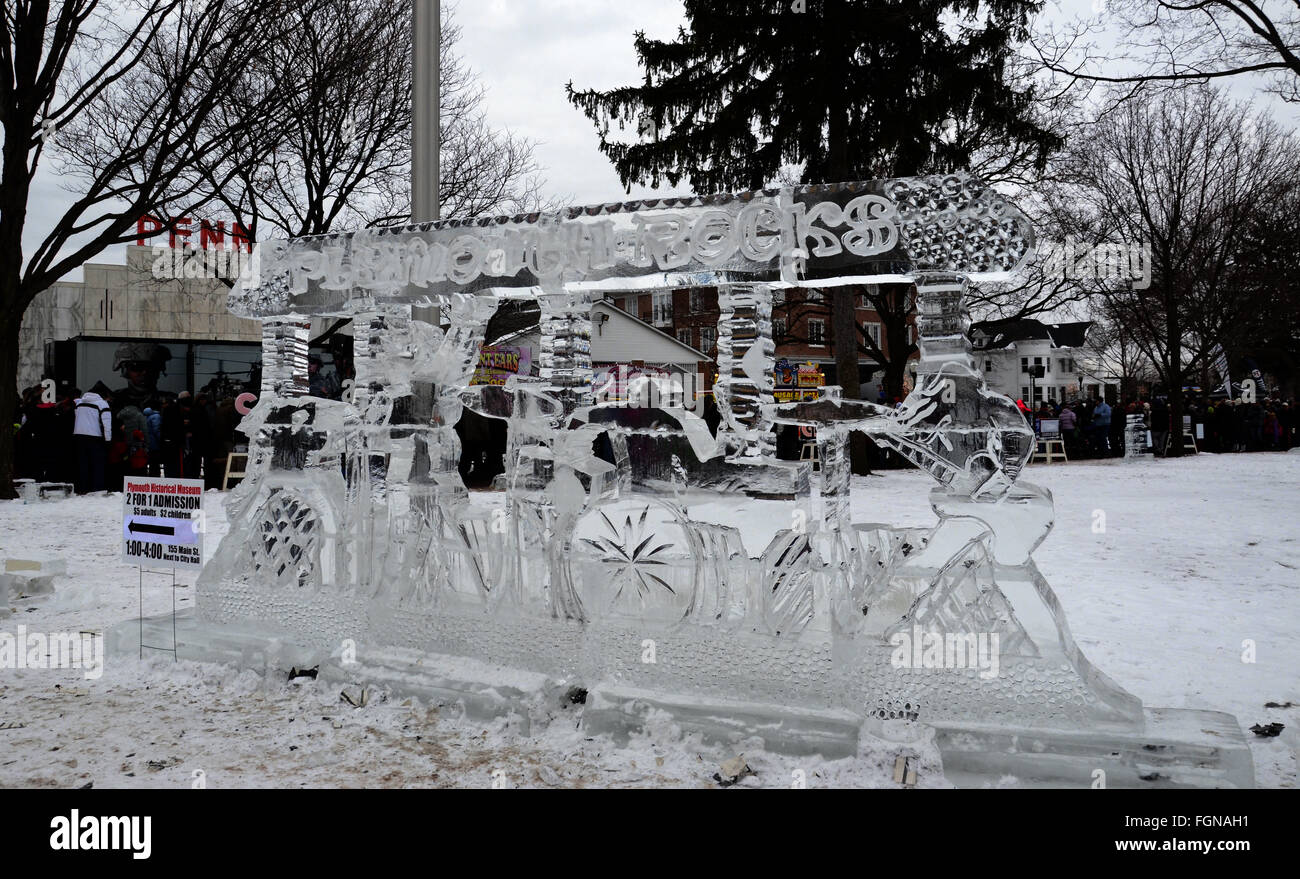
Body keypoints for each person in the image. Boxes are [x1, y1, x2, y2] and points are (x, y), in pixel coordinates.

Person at [72, 384, 112, 493]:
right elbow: (107, 424)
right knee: (97, 464)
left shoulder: (80, 403)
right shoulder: (103, 404)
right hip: (94, 437)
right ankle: (97, 488)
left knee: (82, 464)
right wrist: (108, 441)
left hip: (78, 436)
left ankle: (83, 488)